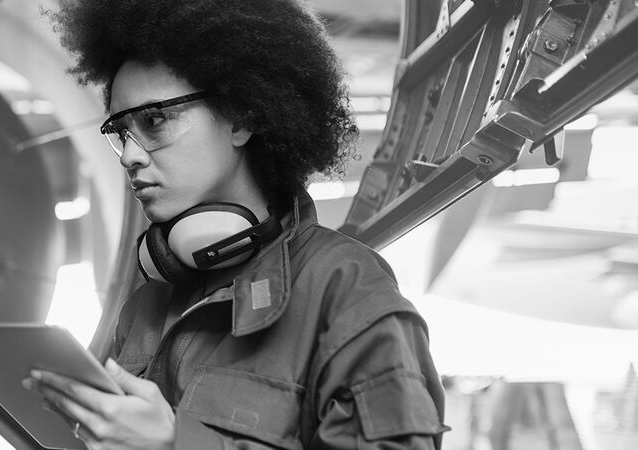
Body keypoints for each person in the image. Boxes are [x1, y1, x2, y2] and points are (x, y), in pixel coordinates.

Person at [24, 0, 448, 448]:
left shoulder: (345, 288)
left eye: (154, 120)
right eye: (121, 133)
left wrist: (175, 445)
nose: (130, 155)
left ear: (241, 118)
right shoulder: (145, 306)